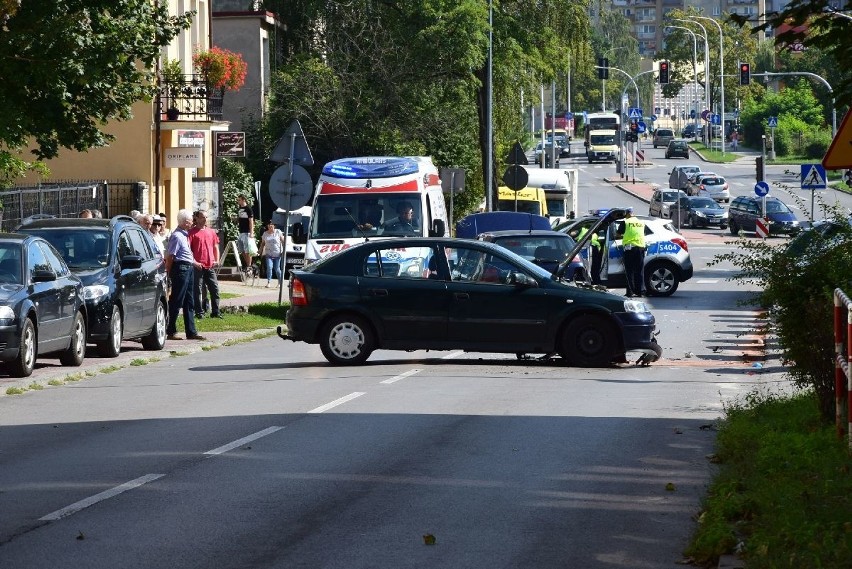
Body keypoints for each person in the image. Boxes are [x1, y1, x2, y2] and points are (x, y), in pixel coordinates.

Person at [165, 208, 205, 341]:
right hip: (180, 268)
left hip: (188, 268)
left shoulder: (185, 235)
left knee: (189, 300)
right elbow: (171, 256)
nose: (192, 223)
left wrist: (194, 263)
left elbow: (187, 254)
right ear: (183, 222)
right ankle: (170, 330)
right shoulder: (177, 236)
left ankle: (191, 331)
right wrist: (168, 273)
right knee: (177, 299)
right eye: (189, 221)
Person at [188, 210, 222, 319]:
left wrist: (216, 260)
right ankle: (199, 312)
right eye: (202, 217)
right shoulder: (192, 232)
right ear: (196, 218)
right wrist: (194, 262)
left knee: (214, 289)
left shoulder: (211, 232)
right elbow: (188, 250)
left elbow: (216, 247)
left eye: (206, 217)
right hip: (198, 266)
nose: (205, 219)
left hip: (210, 265)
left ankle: (215, 311)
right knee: (197, 291)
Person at [619, 208, 646, 297]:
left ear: (627, 214)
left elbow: (618, 234)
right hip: (641, 247)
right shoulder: (641, 222)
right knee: (639, 271)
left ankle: (630, 292)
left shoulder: (625, 222)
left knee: (629, 271)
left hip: (630, 249)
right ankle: (640, 291)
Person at [259, 219, 286, 287]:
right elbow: (262, 243)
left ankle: (280, 282)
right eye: (269, 225)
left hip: (277, 253)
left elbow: (283, 241)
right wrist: (260, 250)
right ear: (267, 226)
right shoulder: (265, 234)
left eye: (271, 224)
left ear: (274, 225)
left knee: (277, 269)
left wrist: (284, 250)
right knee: (269, 267)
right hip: (269, 253)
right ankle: (269, 282)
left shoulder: (278, 232)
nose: (270, 226)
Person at [236, 194, 257, 271]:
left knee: (248, 250)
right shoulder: (239, 208)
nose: (238, 201)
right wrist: (236, 219)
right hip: (241, 232)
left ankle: (249, 266)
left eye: (239, 200)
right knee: (241, 250)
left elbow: (251, 221)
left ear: (243, 200)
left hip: (247, 232)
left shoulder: (248, 209)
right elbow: (240, 219)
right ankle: (248, 265)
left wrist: (251, 232)